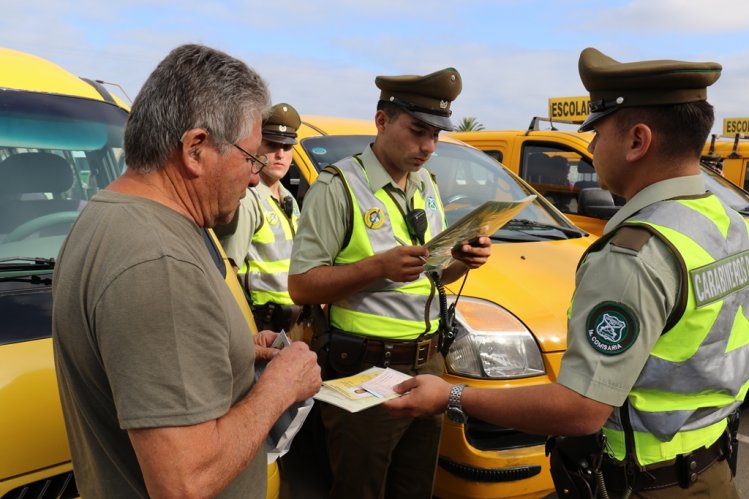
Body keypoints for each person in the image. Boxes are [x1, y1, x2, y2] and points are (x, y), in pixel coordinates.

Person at [385, 47, 748, 498]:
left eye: (598, 134)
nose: (592, 149)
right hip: (712, 465)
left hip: (643, 481)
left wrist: (451, 396)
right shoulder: (729, 221)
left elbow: (580, 409)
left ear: (638, 141)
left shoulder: (637, 255)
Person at [52, 44, 321, 499]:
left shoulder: (109, 215)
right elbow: (184, 482)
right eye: (251, 157)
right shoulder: (158, 262)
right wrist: (280, 388)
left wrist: (231, 349)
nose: (256, 177)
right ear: (195, 149)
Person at [287, 68, 492, 499]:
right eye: (418, 131)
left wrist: (462, 261)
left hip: (429, 365)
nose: (428, 147)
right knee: (360, 489)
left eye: (436, 135)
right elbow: (302, 287)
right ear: (381, 122)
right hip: (364, 370)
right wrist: (376, 266)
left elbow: (433, 276)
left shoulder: (427, 187)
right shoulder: (338, 187)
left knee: (415, 488)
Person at [217, 102, 303, 332]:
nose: (280, 154)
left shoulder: (289, 200)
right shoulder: (247, 199)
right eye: (272, 144)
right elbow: (228, 272)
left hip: (290, 325)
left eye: (287, 147)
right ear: (256, 145)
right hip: (260, 324)